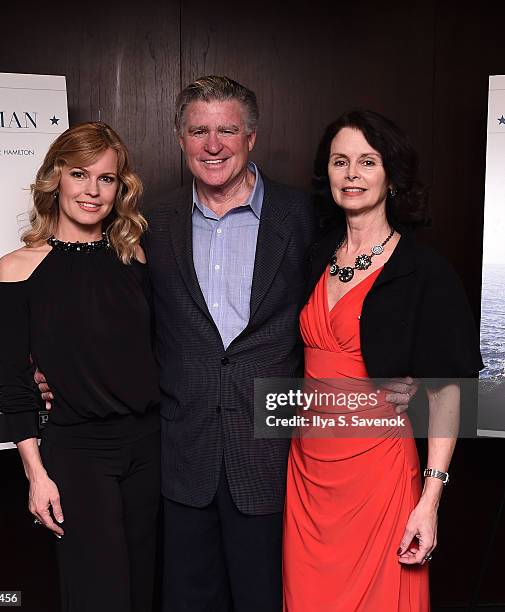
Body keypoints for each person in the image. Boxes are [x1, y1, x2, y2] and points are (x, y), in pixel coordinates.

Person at [37, 79, 416, 611]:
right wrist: (53, 371)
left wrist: (398, 376)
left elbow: (364, 289)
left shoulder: (308, 217)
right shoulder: (150, 225)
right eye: (198, 130)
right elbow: (112, 317)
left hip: (276, 457)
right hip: (179, 456)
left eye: (226, 130)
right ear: (180, 137)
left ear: (251, 137)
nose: (212, 144)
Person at [283, 110, 484, 611]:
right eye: (340, 161)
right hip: (308, 476)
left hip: (378, 475)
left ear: (390, 175)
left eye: (367, 162)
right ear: (326, 174)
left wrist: (429, 501)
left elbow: (447, 392)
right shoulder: (314, 256)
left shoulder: (425, 273)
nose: (352, 174)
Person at [0, 122, 160, 612]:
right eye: (80, 174)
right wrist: (36, 475)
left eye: (106, 179)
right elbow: (16, 385)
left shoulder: (135, 257)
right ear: (55, 179)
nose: (92, 190)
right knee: (98, 595)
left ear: (119, 189)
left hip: (148, 447)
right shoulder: (17, 268)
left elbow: (146, 354)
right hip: (80, 454)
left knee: (143, 588)